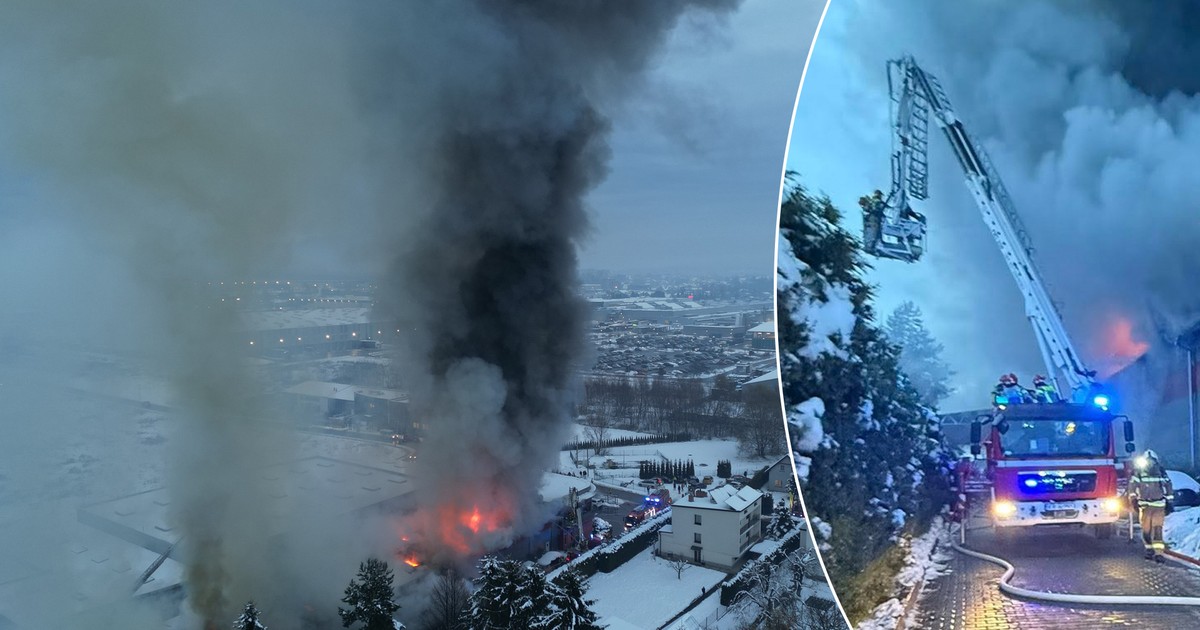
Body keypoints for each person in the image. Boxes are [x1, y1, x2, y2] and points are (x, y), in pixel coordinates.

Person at [1128, 450, 1173, 561]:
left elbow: (1168, 485)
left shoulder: (1161, 472)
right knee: (1146, 530)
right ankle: (1149, 549)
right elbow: (1132, 486)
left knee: (1157, 529)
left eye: (1152, 461)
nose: (1150, 463)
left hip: (1158, 505)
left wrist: (1169, 501)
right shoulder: (1138, 472)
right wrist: (1133, 500)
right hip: (1145, 506)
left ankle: (1159, 553)